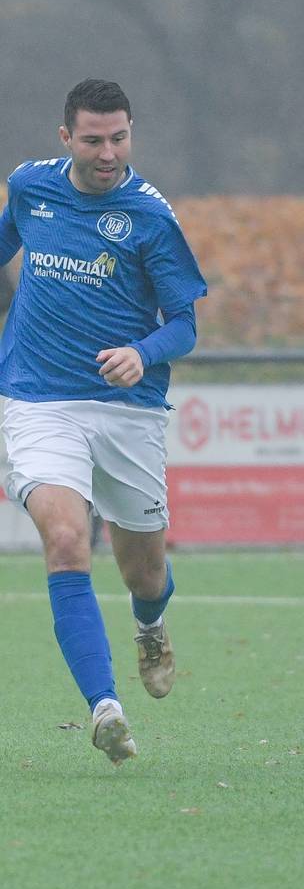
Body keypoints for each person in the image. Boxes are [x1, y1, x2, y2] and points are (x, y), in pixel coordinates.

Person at [0, 80, 207, 765]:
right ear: (66, 139)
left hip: (127, 411)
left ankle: (150, 624)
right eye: (93, 139)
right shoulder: (31, 188)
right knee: (64, 540)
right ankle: (105, 708)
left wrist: (140, 354)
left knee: (144, 573)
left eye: (119, 137)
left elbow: (184, 325)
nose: (108, 151)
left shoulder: (150, 217)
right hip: (37, 401)